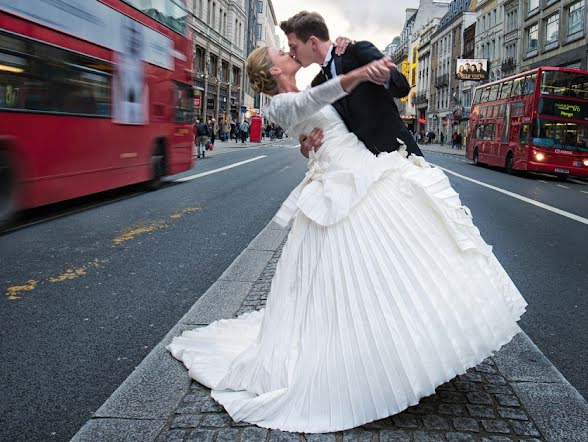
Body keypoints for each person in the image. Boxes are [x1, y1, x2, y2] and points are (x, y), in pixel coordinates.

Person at [167, 44, 526, 434]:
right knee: (361, 274)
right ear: (273, 70)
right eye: (280, 52)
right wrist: (358, 68)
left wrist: (310, 141)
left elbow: (323, 123)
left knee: (396, 264)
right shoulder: (281, 104)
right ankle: (381, 357)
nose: (288, 51)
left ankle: (411, 341)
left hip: (361, 171)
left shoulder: (298, 96)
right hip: (345, 184)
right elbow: (321, 98)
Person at [278, 12, 423, 160]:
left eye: (293, 47)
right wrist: (307, 146)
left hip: (399, 154)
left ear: (313, 43)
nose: (291, 53)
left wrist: (386, 76)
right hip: (362, 167)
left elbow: (403, 87)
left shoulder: (356, 51)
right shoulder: (317, 85)